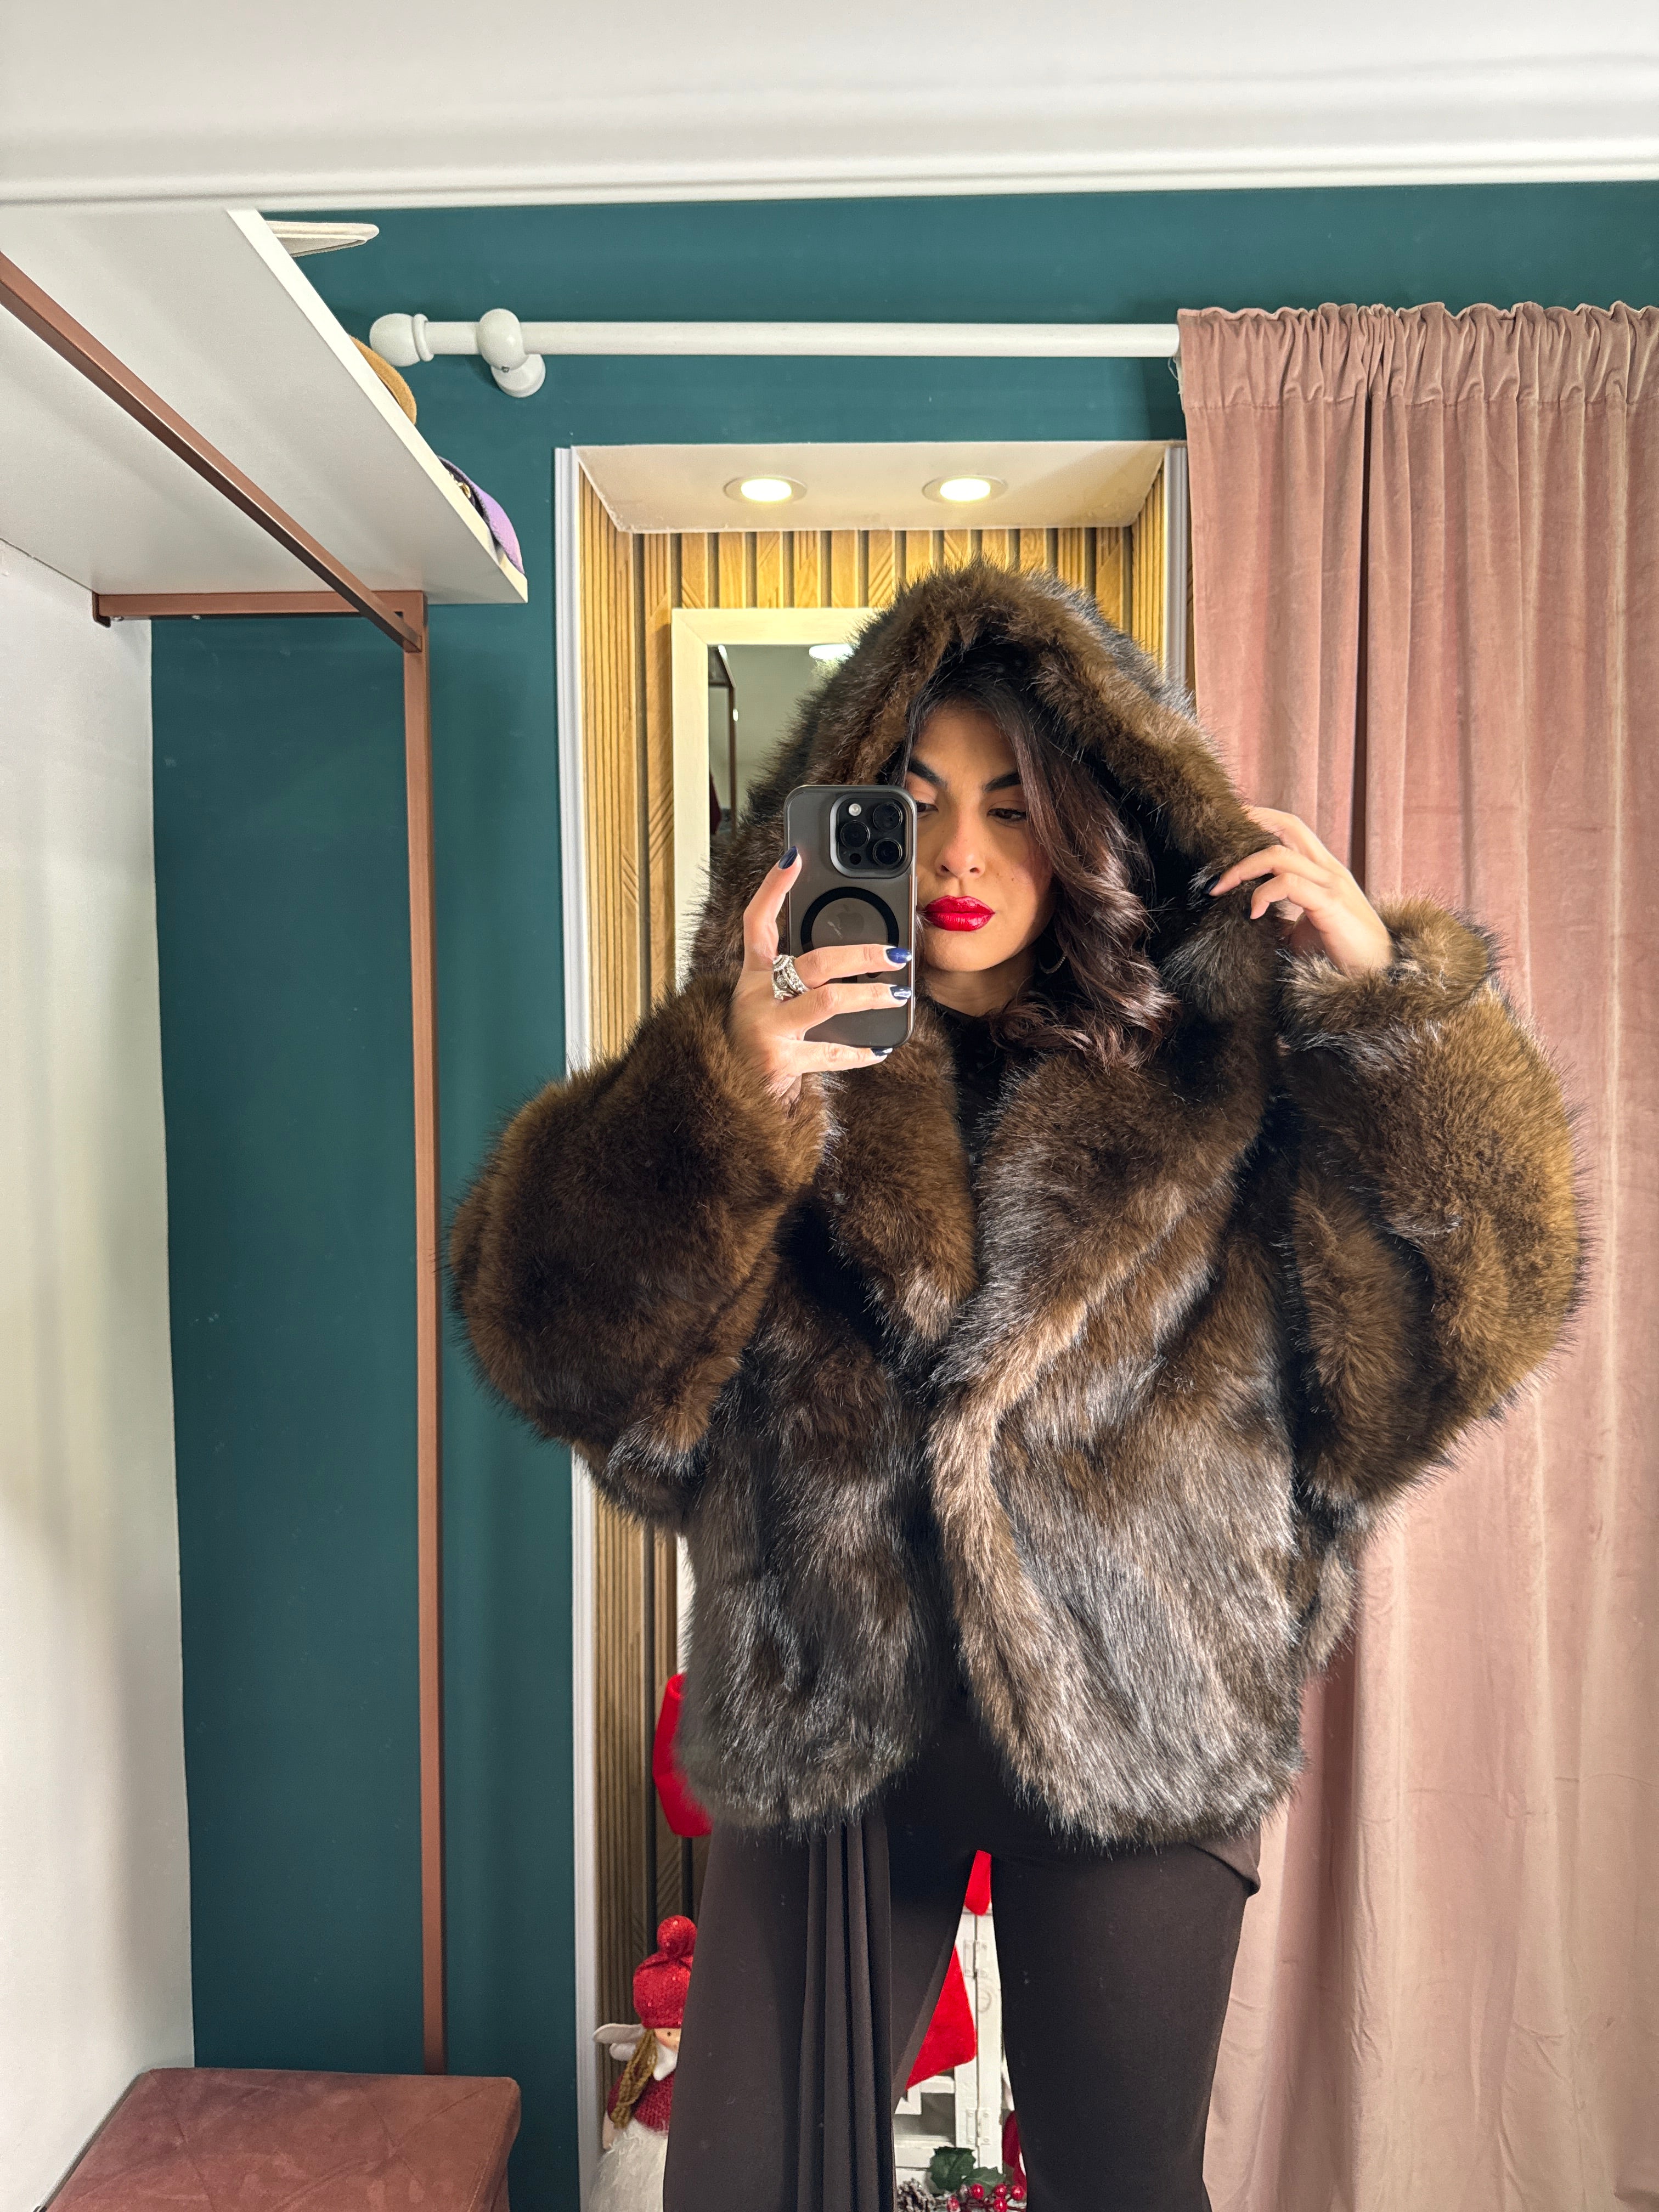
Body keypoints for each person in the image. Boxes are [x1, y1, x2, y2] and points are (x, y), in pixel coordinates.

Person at [450, 561, 1585, 2212]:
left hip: (1139, 1704)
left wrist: (1389, 1015)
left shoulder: (1227, 1083)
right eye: (910, 808)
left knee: (1126, 2187)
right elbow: (566, 1358)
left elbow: (1468, 1321)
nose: (960, 860)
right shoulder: (771, 1062)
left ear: (1089, 828)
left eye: (1014, 808)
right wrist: (725, 1092)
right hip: (838, 1712)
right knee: (754, 2191)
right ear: (834, 831)